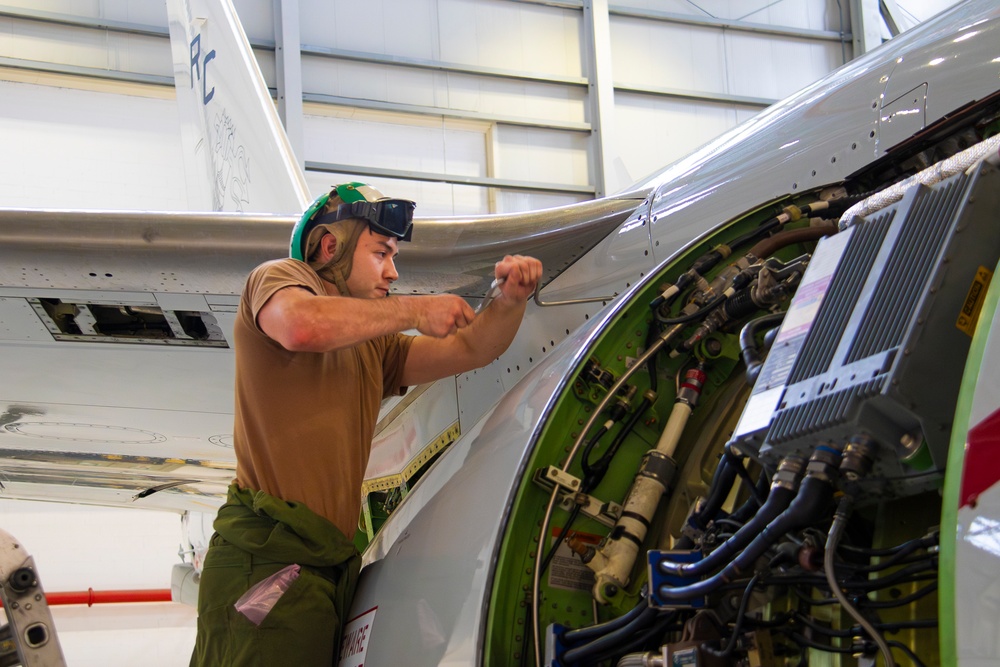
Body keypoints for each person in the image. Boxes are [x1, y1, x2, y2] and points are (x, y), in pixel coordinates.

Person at [190, 182, 542, 666]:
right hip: (267, 557)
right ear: (331, 248)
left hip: (324, 564)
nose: (393, 272)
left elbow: (471, 349)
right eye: (381, 253)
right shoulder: (277, 278)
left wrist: (510, 301)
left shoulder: (373, 346)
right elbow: (300, 326)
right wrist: (416, 309)